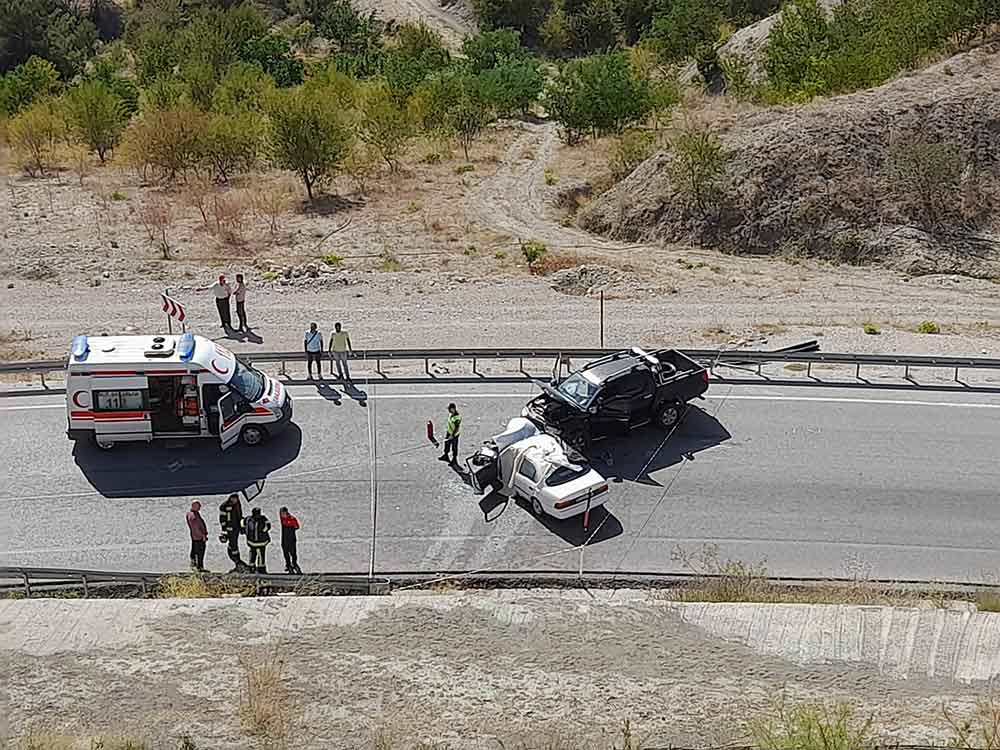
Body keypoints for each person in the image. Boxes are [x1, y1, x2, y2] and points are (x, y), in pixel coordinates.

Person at [218, 494, 245, 572]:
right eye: (233, 499)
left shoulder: (237, 504)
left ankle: (238, 562)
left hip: (236, 529)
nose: (235, 500)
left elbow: (239, 516)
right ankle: (237, 562)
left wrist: (241, 527)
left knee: (233, 545)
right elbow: (222, 519)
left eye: (236, 499)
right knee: (233, 546)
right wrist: (224, 530)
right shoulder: (224, 506)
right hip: (229, 530)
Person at [245, 507, 272, 574]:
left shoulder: (249, 519)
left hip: (253, 542)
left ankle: (252, 568)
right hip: (260, 542)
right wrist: (263, 531)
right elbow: (268, 526)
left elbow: (242, 524)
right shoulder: (262, 518)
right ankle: (260, 569)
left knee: (253, 555)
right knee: (259, 555)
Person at [186, 500, 208, 572]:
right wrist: (203, 536)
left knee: (194, 551)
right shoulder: (193, 516)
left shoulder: (190, 514)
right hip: (198, 537)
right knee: (200, 552)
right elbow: (196, 528)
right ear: (194, 506)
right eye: (199, 505)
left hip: (194, 536)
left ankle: (195, 566)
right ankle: (199, 567)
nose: (200, 507)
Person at [279, 506, 302, 574]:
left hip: (291, 539)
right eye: (281, 513)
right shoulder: (282, 519)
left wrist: (291, 524)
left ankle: (294, 564)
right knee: (286, 553)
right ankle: (288, 564)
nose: (282, 515)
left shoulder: (292, 518)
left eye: (283, 513)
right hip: (284, 540)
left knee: (293, 553)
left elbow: (297, 526)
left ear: (286, 512)